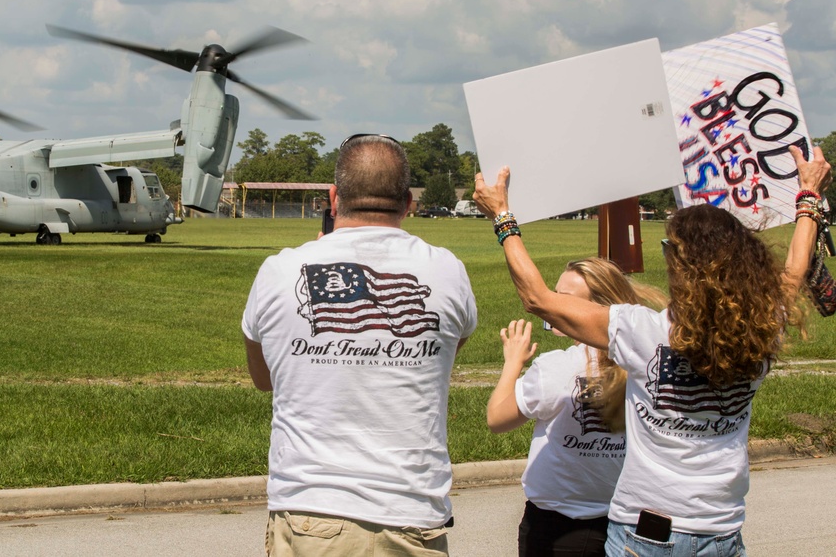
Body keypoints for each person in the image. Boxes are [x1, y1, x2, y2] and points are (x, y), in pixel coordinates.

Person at [473, 145, 831, 557]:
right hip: (722, 528)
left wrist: (502, 216)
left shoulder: (642, 331)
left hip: (649, 532)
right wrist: (808, 198)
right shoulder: (762, 326)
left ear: (680, 265)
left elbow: (538, 298)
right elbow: (794, 272)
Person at [243, 133, 478, 556]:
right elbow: (444, 356)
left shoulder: (280, 271)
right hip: (412, 514)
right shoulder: (447, 271)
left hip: (311, 511)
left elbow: (264, 379)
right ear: (409, 202)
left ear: (334, 198)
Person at [489, 258, 663, 557]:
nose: (551, 304)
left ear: (594, 309)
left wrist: (513, 363)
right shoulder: (650, 364)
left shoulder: (556, 367)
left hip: (559, 529)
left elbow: (497, 418)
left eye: (562, 299)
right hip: (630, 523)